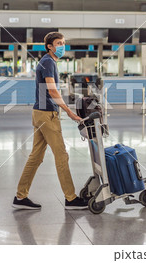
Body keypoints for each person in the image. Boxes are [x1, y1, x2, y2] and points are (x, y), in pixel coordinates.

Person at [13, 32, 88, 210]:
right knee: (61, 155)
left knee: (36, 157)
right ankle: (71, 198)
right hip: (47, 115)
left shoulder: (49, 61)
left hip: (40, 113)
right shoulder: (48, 62)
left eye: (63, 42)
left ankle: (20, 196)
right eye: (58, 43)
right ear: (49, 46)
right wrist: (69, 112)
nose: (62, 46)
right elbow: (53, 91)